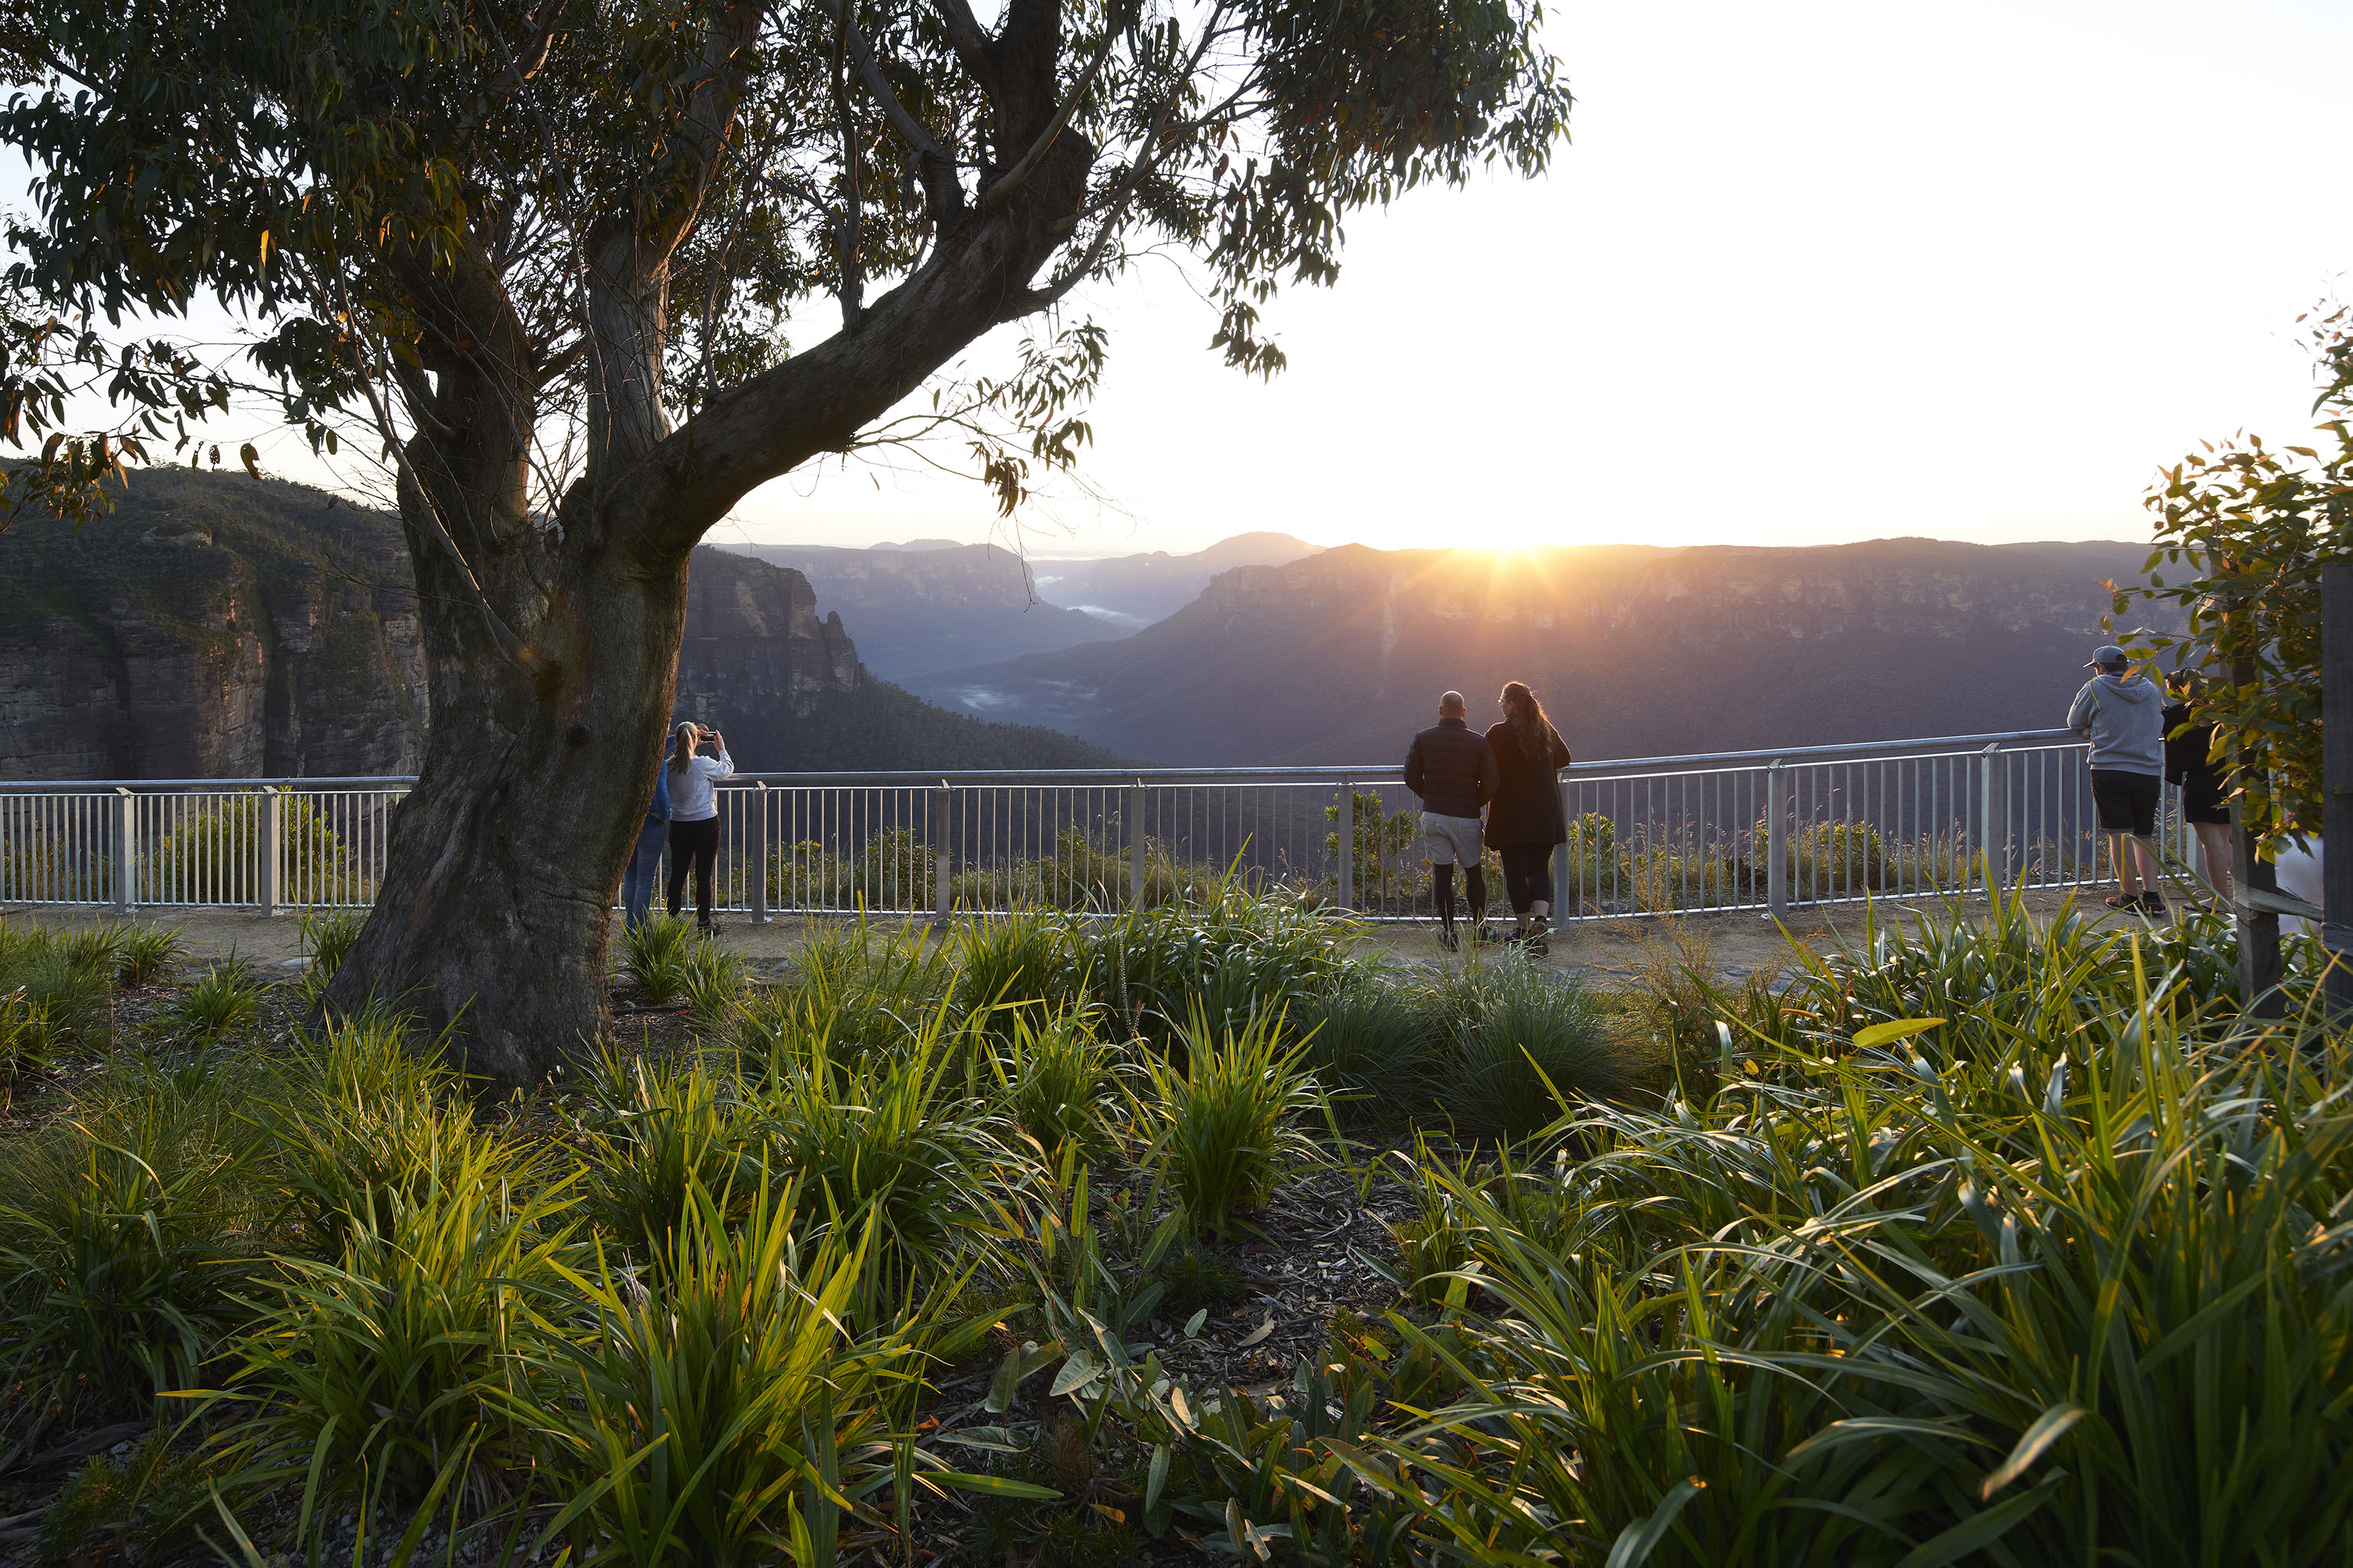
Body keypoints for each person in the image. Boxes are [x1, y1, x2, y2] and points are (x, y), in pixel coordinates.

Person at [2066, 644, 2167, 916]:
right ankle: (2153, 896)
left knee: (2119, 834)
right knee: (2144, 834)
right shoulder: (2151, 688)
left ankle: (2129, 897)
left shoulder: (2095, 687)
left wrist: (2091, 728)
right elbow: (2159, 718)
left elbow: (2074, 721)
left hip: (2109, 769)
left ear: (2100, 667)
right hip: (2147, 770)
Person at [1403, 690, 1498, 951]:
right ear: (1464, 712)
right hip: (1466, 817)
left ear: (1440, 710)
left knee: (1442, 874)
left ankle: (1449, 933)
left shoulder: (1423, 739)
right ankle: (1479, 931)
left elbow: (1410, 776)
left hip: (1434, 816)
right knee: (1473, 872)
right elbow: (1492, 782)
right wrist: (1470, 801)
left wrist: (1432, 796)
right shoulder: (1479, 744)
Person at [1484, 681, 1572, 953]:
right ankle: (1541, 921)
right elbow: (1565, 758)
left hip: (1511, 813)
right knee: (1538, 869)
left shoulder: (1498, 733)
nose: (1500, 707)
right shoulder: (1545, 730)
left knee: (1515, 872)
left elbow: (1484, 764)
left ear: (1511, 704)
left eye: (1501, 702)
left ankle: (1523, 931)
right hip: (1545, 812)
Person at [2162, 670, 2233, 907]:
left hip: (2202, 782)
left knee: (2212, 845)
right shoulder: (2220, 711)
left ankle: (2220, 899)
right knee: (2225, 841)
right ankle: (2245, 894)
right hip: (2227, 779)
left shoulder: (2177, 714)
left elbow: (2161, 722)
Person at [664, 720, 733, 933]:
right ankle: (704, 924)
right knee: (703, 876)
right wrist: (721, 749)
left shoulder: (669, 766)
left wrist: (689, 741)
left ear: (677, 741)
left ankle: (673, 925)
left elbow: (674, 751)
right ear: (696, 739)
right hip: (705, 825)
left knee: (677, 874)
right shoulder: (702, 763)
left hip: (679, 826)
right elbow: (726, 770)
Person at [620, 748, 671, 931]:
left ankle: (630, 924)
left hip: (627, 822)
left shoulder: (626, 755)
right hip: (650, 823)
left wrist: (693, 734)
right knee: (645, 879)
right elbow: (661, 794)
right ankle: (641, 928)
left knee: (630, 875)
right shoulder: (657, 763)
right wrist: (664, 815)